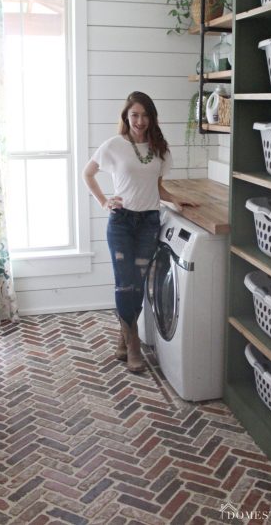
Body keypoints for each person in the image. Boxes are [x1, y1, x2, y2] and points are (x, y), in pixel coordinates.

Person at [83, 91, 197, 373]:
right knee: (125, 283)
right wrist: (102, 200)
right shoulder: (114, 145)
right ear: (126, 116)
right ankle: (133, 345)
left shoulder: (160, 148)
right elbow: (88, 173)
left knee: (138, 283)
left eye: (145, 115)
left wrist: (175, 201)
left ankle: (123, 336)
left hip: (148, 223)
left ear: (152, 118)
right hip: (121, 222)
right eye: (135, 115)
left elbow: (157, 187)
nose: (140, 120)